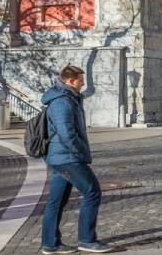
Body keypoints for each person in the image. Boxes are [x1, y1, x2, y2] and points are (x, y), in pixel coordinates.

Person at [40, 64, 112, 254]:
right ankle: (87, 240)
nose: (83, 83)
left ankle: (50, 244)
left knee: (56, 201)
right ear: (70, 81)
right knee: (92, 191)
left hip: (60, 157)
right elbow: (67, 133)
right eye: (80, 80)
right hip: (67, 157)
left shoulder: (68, 98)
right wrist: (81, 151)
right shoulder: (63, 102)